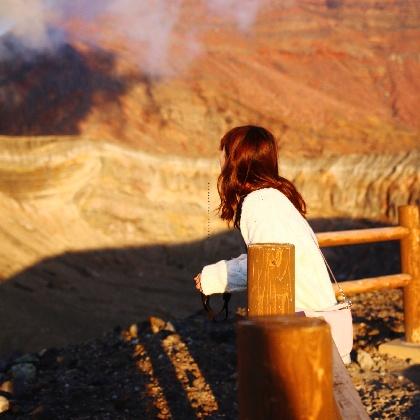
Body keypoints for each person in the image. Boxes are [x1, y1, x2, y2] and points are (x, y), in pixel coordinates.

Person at [193, 125, 337, 311]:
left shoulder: (260, 203)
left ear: (234, 159)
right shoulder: (272, 198)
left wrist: (212, 278)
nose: (219, 159)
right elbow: (269, 255)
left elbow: (269, 264)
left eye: (223, 152)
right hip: (308, 318)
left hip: (302, 325)